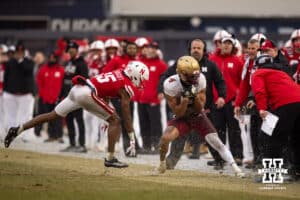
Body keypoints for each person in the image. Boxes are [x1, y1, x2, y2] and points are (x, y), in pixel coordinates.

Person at [4, 61, 149, 168]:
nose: (141, 83)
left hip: (78, 89)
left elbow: (106, 90)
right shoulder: (127, 85)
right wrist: (131, 137)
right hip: (87, 93)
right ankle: (110, 158)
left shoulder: (118, 73)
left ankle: (18, 129)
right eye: (142, 79)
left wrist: (106, 116)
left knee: (52, 115)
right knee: (116, 120)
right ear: (136, 75)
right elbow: (126, 112)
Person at [157, 56, 244, 177]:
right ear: (179, 73)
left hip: (198, 115)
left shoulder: (201, 79)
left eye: (194, 75)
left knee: (216, 142)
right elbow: (178, 112)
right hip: (181, 117)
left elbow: (199, 108)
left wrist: (195, 97)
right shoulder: (170, 84)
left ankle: (236, 168)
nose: (193, 78)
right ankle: (162, 163)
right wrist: (184, 101)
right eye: (189, 75)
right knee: (165, 139)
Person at [251, 54, 300, 180]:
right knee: (296, 139)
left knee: (271, 139)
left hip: (285, 105)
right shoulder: (282, 73)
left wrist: (261, 108)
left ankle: (272, 175)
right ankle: (297, 172)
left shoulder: (258, 73)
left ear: (257, 66)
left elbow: (260, 91)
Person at [60, 41, 88, 153]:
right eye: (69, 50)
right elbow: (64, 80)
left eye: (72, 50)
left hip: (77, 96)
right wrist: (61, 95)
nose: (70, 52)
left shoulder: (81, 63)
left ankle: (82, 145)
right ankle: (72, 144)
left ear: (77, 50)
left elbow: (85, 79)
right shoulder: (68, 63)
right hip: (68, 96)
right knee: (69, 119)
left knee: (79, 120)